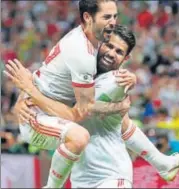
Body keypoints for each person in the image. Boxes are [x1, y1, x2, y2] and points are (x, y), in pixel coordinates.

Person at [6, 25, 179, 188]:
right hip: (81, 177)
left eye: (118, 51)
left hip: (111, 176)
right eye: (109, 46)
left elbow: (75, 112)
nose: (111, 53)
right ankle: (162, 163)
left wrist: (31, 91)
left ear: (126, 59)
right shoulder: (82, 73)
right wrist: (22, 101)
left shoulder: (116, 81)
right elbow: (125, 127)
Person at [4, 0, 132, 188]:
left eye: (114, 16)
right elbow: (77, 114)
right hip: (36, 115)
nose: (113, 22)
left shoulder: (96, 40)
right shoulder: (82, 52)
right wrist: (30, 91)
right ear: (88, 17)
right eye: (107, 17)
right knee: (80, 136)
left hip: (50, 109)